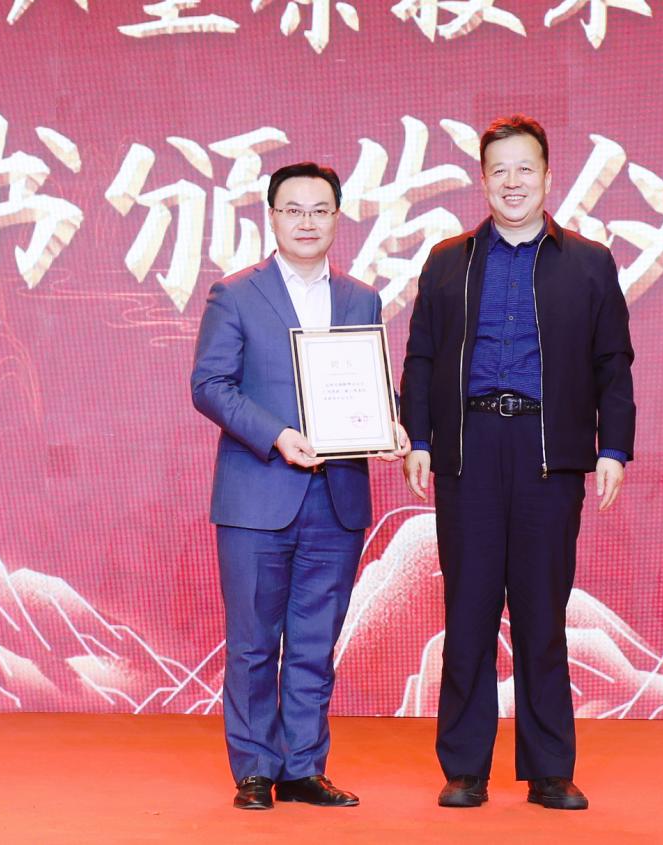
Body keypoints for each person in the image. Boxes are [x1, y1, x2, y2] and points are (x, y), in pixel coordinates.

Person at [399, 115, 635, 811]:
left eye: (524, 168)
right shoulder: (448, 260)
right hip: (468, 449)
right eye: (498, 169)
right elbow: (420, 356)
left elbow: (612, 363)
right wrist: (418, 437)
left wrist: (613, 447)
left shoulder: (588, 262)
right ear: (482, 180)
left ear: (547, 176)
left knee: (541, 611)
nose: (511, 182)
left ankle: (549, 768)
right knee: (468, 609)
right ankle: (464, 766)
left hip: (547, 454)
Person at [191, 162, 409, 810]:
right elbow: (209, 385)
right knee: (254, 642)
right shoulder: (235, 294)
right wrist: (277, 434)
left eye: (319, 210)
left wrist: (391, 421)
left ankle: (303, 767)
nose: (306, 222)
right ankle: (255, 768)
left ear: (337, 218)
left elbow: (369, 384)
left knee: (315, 642)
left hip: (336, 496)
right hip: (258, 491)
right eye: (293, 210)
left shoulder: (361, 299)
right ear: (272, 217)